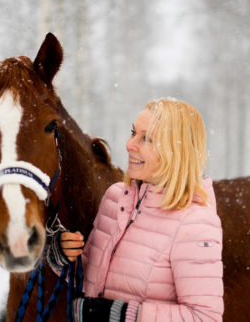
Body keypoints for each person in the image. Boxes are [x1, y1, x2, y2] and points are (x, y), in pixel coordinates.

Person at [46, 98, 223, 321]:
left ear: (176, 152)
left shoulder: (196, 223)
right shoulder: (115, 198)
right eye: (133, 132)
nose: (130, 144)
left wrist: (124, 316)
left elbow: (205, 317)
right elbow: (91, 281)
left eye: (146, 139)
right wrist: (62, 257)